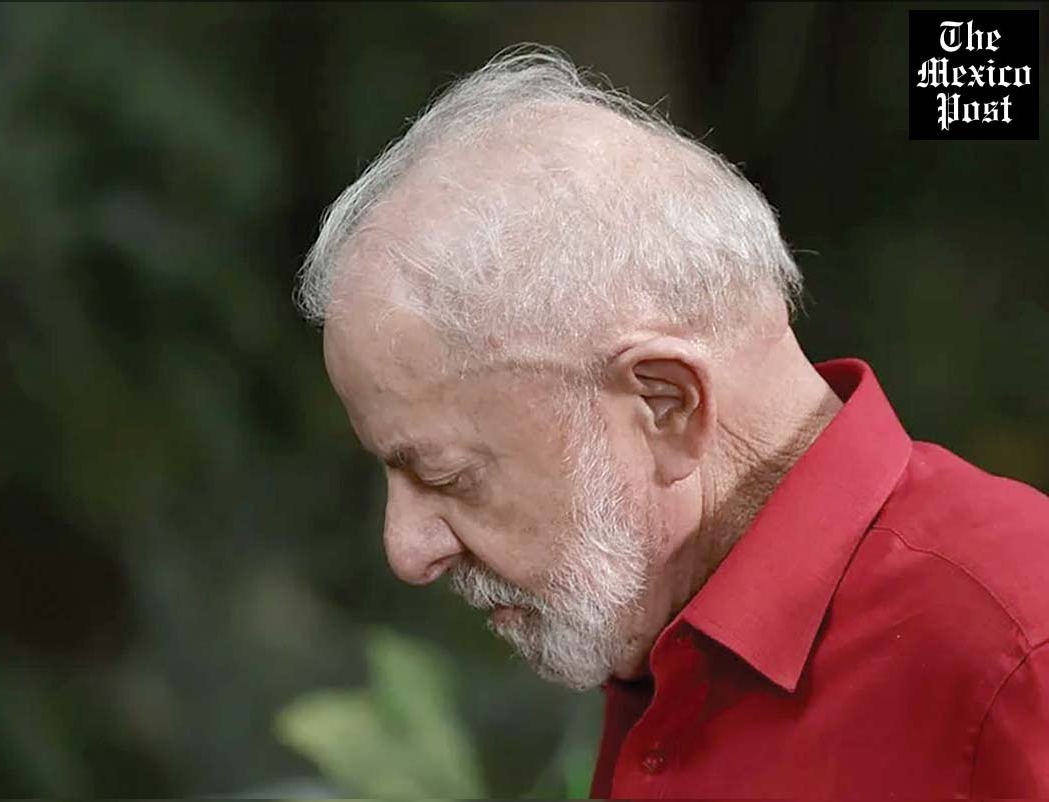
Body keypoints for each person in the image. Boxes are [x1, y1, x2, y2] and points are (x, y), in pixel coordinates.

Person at [294, 46, 1049, 797]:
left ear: (666, 404)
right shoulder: (655, 618)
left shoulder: (1017, 654)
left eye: (448, 475)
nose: (407, 550)